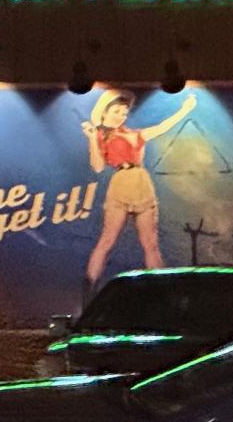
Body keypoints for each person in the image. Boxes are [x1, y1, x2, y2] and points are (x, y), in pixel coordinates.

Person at [80, 89, 197, 291]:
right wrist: (92, 138)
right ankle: (89, 291)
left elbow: (162, 127)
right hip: (120, 185)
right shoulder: (99, 135)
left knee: (150, 243)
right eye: (116, 111)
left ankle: (162, 291)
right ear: (105, 112)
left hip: (141, 184)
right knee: (107, 240)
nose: (120, 117)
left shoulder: (134, 134)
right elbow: (98, 166)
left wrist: (184, 110)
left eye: (124, 113)